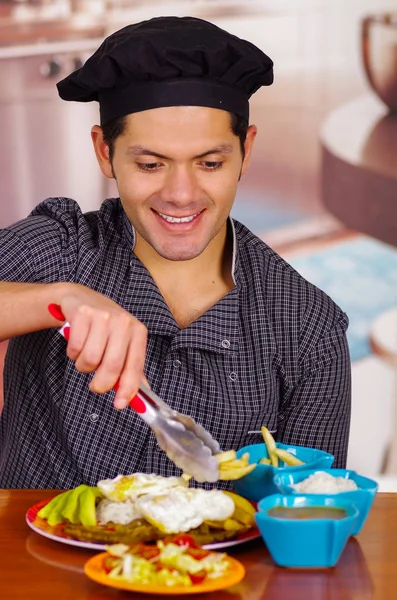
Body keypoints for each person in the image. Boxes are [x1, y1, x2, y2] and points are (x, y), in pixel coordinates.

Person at [0, 16, 351, 489]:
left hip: (212, 565)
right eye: (150, 164)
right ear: (105, 152)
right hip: (29, 563)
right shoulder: (61, 248)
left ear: (245, 151)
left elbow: (313, 508)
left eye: (210, 163)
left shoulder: (308, 329)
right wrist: (58, 299)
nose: (181, 194)